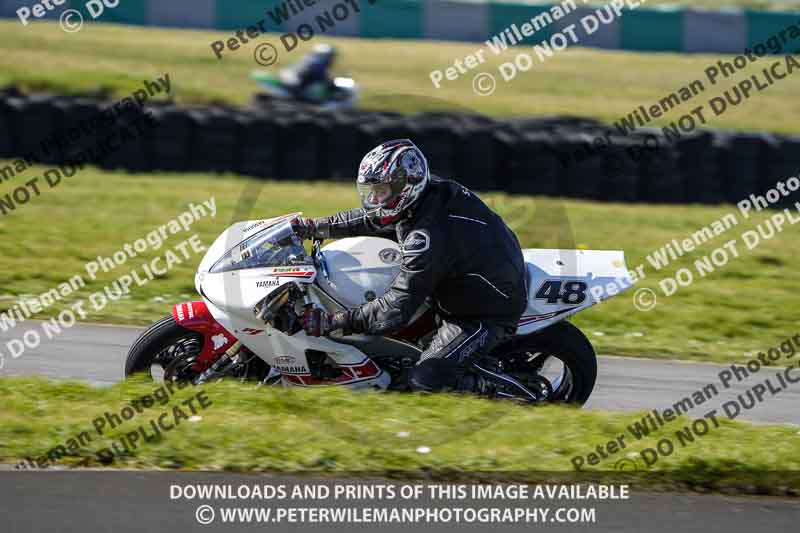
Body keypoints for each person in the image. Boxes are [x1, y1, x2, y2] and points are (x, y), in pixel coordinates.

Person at [291, 139, 529, 396]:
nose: (373, 198)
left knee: (425, 380)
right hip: (471, 272)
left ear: (405, 187)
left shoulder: (426, 236)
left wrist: (332, 322)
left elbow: (394, 310)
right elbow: (370, 219)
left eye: (380, 190)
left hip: (483, 312)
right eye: (371, 190)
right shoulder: (426, 193)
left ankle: (508, 394)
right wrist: (313, 227)